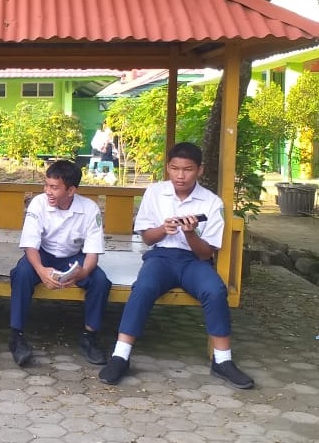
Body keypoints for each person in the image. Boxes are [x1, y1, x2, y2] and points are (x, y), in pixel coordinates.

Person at [98, 142, 254, 389]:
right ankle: (121, 356)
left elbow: (205, 253)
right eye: (175, 168)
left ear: (200, 170)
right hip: (161, 257)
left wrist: (190, 233)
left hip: (194, 261)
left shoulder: (211, 202)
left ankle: (223, 360)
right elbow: (147, 239)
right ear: (168, 168)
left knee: (215, 290)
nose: (180, 175)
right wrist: (163, 229)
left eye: (188, 169)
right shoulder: (155, 192)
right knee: (143, 287)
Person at [8, 159, 111, 366]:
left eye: (54, 187)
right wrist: (41, 270)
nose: (48, 191)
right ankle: (16, 336)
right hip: (43, 254)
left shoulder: (90, 209)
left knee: (100, 281)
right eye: (46, 185)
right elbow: (30, 245)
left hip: (73, 257)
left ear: (71, 190)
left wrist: (83, 272)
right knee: (21, 274)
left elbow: (92, 253)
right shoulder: (38, 203)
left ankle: (89, 337)